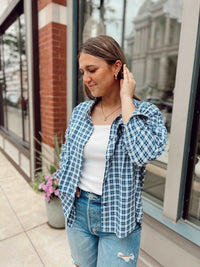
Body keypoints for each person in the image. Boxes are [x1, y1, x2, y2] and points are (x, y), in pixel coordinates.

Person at [55, 35, 167, 267]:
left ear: (117, 67)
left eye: (92, 70)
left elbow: (143, 154)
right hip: (78, 211)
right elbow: (67, 153)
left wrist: (127, 100)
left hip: (119, 217)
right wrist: (65, 187)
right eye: (82, 72)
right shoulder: (81, 112)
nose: (86, 78)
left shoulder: (146, 113)